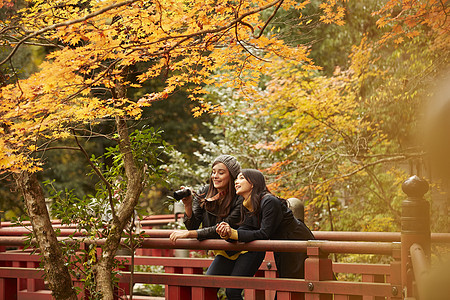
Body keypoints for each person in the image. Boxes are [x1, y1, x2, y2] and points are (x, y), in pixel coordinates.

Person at [170, 155, 264, 299]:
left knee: (232, 292)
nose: (215, 176)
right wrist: (188, 204)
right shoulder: (204, 192)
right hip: (226, 250)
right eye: (213, 172)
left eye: (221, 172)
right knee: (207, 287)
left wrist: (188, 235)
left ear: (232, 176)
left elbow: (221, 229)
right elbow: (192, 226)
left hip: (247, 248)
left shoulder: (240, 196)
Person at [216, 169, 315, 285]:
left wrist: (234, 233)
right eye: (236, 179)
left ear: (252, 183)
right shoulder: (247, 204)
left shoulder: (269, 201)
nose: (236, 182)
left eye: (241, 178)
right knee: (288, 285)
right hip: (282, 246)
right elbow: (246, 229)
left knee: (297, 284)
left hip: (296, 241)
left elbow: (264, 233)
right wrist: (228, 234)